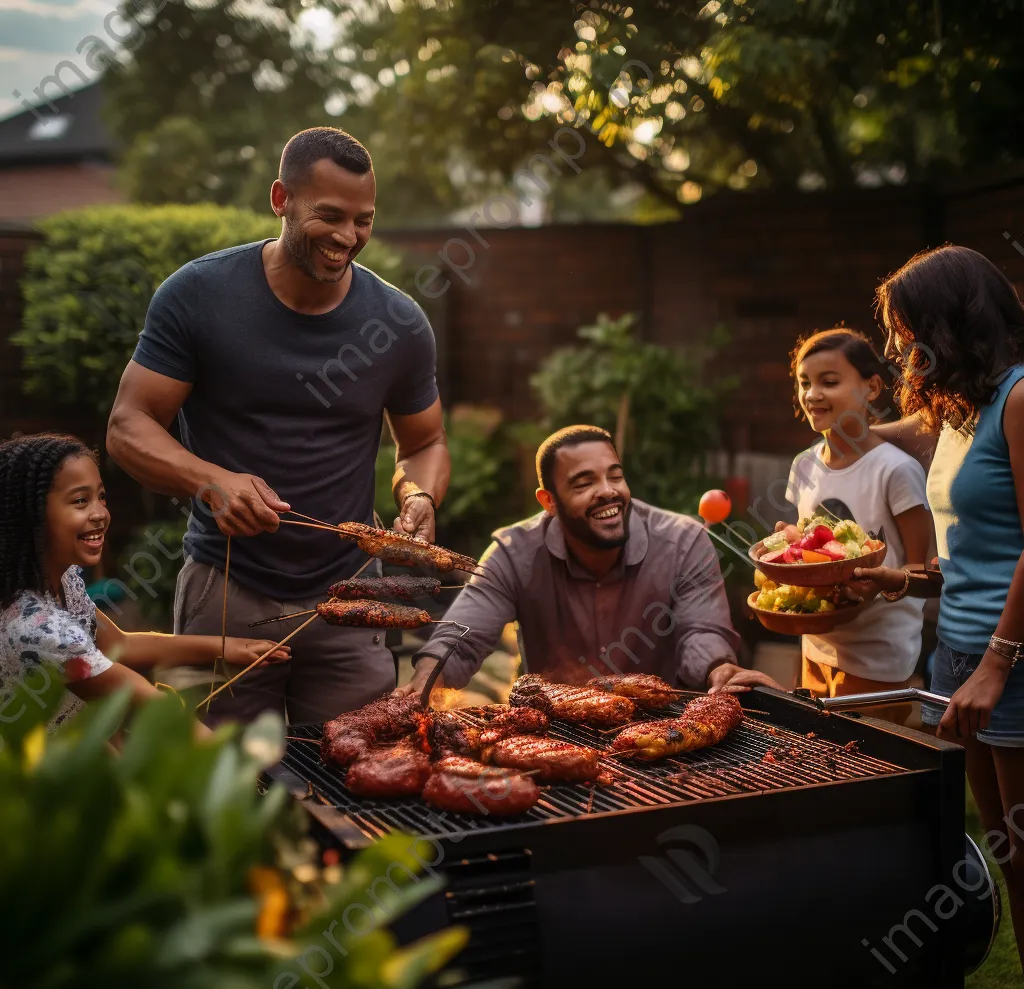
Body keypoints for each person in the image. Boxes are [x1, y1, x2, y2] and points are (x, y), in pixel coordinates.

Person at [106, 127, 449, 727]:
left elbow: (423, 443)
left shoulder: (399, 323)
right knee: (219, 786)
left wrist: (417, 493)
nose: (348, 237)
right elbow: (128, 425)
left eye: (363, 220)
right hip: (227, 587)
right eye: (330, 216)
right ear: (280, 199)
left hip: (352, 599)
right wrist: (209, 479)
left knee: (359, 779)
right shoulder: (199, 295)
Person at [864, 244, 1024, 969]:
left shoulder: (1020, 400)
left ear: (950, 319)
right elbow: (974, 549)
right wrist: (907, 581)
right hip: (957, 655)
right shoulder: (962, 412)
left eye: (906, 327)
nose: (898, 345)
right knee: (1005, 855)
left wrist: (995, 666)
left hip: (1009, 662)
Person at [403, 425, 779, 697]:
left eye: (615, 476)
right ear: (548, 502)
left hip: (664, 735)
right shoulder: (513, 554)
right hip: (551, 738)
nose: (608, 492)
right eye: (584, 484)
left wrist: (719, 668)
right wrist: (424, 681)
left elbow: (702, 630)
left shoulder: (683, 542)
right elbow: (463, 636)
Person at [0, 434, 286, 732]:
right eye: (80, 501)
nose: (100, 514)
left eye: (101, 497)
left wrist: (225, 647)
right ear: (30, 515)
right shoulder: (38, 628)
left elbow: (119, 644)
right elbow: (149, 706)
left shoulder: (62, 581)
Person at [778, 329, 932, 722]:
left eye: (829, 382)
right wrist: (787, 551)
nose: (812, 394)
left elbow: (924, 573)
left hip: (878, 655)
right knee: (818, 760)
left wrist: (876, 588)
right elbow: (809, 553)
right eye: (804, 383)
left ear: (872, 387)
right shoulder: (805, 465)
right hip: (816, 644)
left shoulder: (895, 470)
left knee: (869, 767)